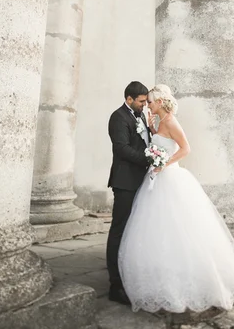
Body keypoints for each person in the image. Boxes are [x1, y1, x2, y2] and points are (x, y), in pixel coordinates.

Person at [118, 84, 234, 313]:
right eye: (146, 101)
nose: (148, 105)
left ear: (160, 102)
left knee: (180, 226)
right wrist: (151, 130)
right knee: (157, 228)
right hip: (157, 179)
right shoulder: (159, 122)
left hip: (170, 177)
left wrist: (163, 163)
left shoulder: (170, 121)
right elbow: (159, 144)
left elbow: (186, 148)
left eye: (150, 101)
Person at [106, 81, 152, 305]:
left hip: (140, 180)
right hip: (125, 181)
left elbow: (144, 141)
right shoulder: (118, 117)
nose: (144, 105)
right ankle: (115, 284)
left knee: (134, 229)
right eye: (142, 101)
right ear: (129, 98)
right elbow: (121, 149)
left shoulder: (140, 116)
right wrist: (149, 158)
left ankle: (128, 272)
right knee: (119, 229)